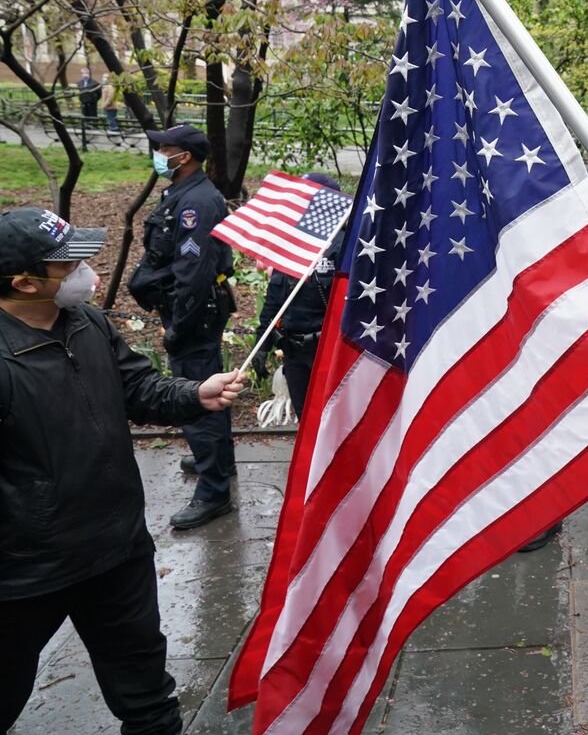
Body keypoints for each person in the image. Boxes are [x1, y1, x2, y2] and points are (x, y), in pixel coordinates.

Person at [0, 207, 245, 735]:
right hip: (26, 573)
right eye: (69, 264)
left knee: (150, 700)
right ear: (24, 282)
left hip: (117, 548)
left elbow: (138, 388)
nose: (88, 271)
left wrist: (193, 393)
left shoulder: (88, 322)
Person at [127, 124, 237, 530]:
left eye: (163, 149)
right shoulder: (180, 192)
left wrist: (179, 329)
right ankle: (218, 461)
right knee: (207, 387)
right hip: (185, 308)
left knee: (198, 395)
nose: (158, 154)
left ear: (184, 156)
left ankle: (213, 492)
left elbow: (193, 273)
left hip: (193, 312)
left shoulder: (199, 203)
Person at [252, 173, 346, 417]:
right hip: (294, 352)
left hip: (329, 350)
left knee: (331, 419)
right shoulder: (291, 242)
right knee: (305, 417)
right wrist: (261, 344)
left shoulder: (344, 245)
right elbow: (275, 300)